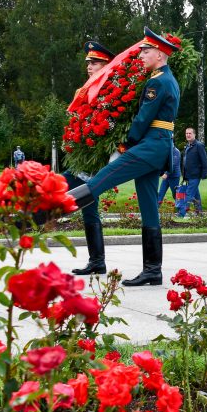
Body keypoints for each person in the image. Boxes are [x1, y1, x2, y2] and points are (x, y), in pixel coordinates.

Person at [67, 26, 181, 286]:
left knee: (102, 179)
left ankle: (54, 209)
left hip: (149, 146)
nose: (141, 54)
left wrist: (126, 142)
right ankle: (153, 270)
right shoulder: (167, 79)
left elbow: (142, 119)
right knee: (149, 206)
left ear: (160, 54)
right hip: (158, 146)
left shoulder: (157, 81)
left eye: (147, 50)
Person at [66, 40, 115, 275]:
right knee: (88, 206)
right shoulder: (84, 89)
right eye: (88, 62)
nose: (89, 66)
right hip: (81, 155)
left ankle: (27, 220)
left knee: (60, 186)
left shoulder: (110, 90)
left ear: (106, 64)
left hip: (95, 158)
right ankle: (97, 262)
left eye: (95, 62)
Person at [180, 127, 207, 217]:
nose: (188, 135)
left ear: (194, 134)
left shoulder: (199, 145)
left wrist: (204, 174)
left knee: (188, 194)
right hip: (188, 175)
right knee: (196, 195)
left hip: (195, 175)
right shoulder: (187, 146)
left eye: (190, 133)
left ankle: (181, 215)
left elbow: (204, 160)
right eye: (186, 133)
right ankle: (200, 214)